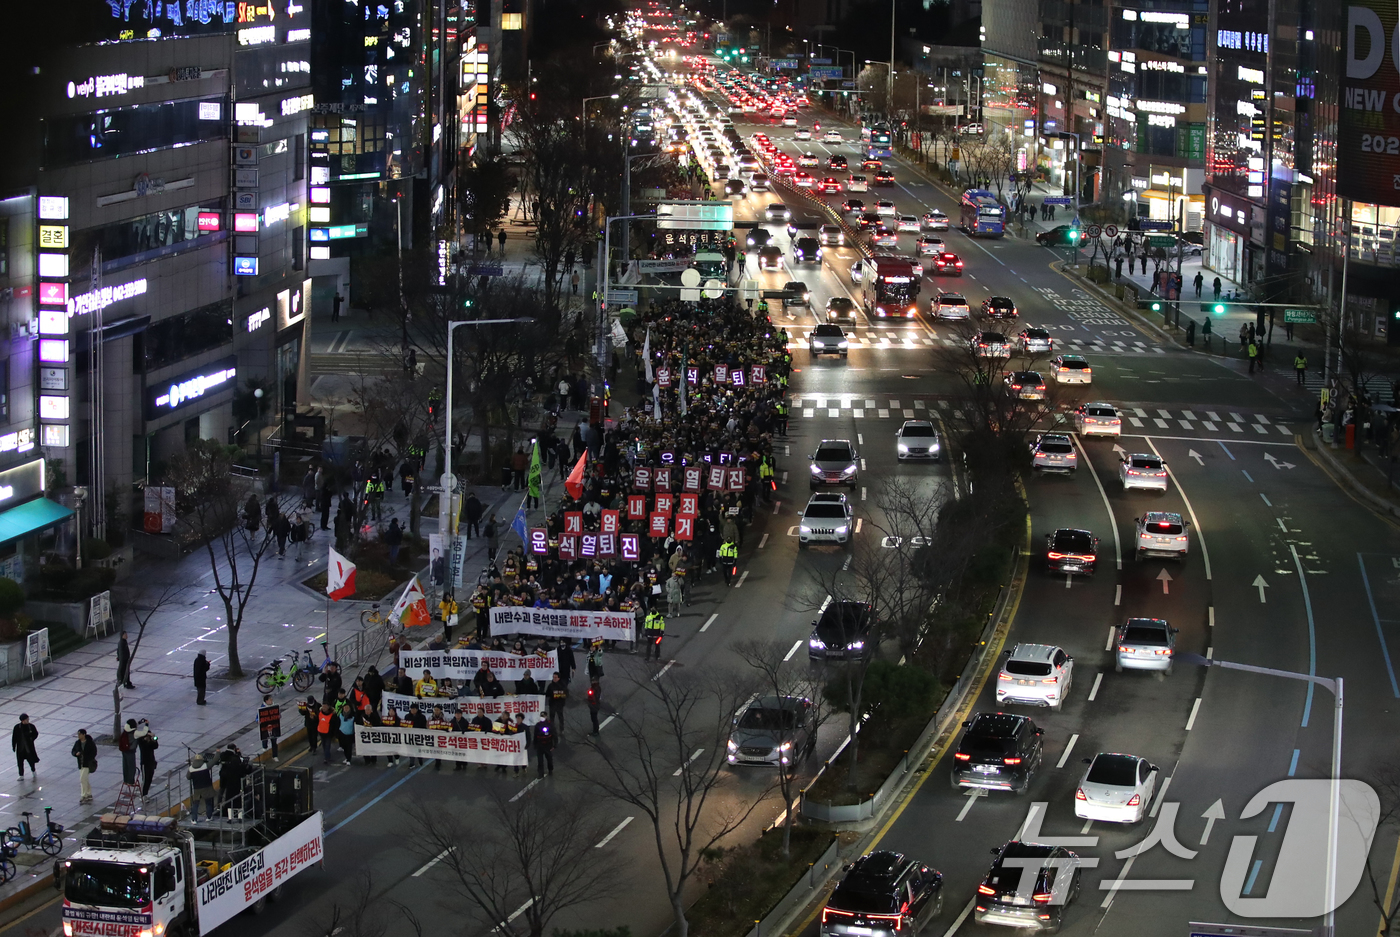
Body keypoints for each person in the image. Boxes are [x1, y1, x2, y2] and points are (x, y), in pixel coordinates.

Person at [187, 753, 216, 822]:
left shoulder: (191, 768)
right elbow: (214, 761)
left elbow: (188, 777)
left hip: (197, 789)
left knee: (195, 804)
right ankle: (209, 817)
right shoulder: (205, 765)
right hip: (207, 788)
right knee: (208, 803)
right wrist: (218, 753)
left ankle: (194, 819)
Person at [134, 719, 159, 798]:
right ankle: (143, 794)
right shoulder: (141, 742)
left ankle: (146, 793)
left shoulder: (151, 742)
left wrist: (153, 738)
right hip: (145, 763)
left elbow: (155, 746)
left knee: (150, 779)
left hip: (151, 762)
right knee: (145, 779)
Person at [72, 728, 97, 804]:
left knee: (82, 779)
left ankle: (84, 795)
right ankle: (89, 794)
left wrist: (88, 758)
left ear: (84, 734)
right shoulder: (78, 743)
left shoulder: (90, 743)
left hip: (87, 764)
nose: (78, 736)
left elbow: (94, 752)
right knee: (85, 779)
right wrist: (76, 754)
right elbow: (73, 751)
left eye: (80, 734)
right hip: (81, 764)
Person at [12, 714, 38, 780]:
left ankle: (33, 770)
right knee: (20, 762)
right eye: (27, 719)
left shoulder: (31, 726)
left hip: (28, 748)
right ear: (23, 720)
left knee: (31, 761)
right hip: (20, 748)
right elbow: (14, 737)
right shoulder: (17, 727)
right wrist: (13, 746)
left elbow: (35, 733)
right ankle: (21, 775)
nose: (28, 720)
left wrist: (31, 738)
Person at [258, 695, 281, 762]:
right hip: (265, 728)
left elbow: (279, 714)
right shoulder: (262, 708)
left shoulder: (275, 707)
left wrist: (279, 716)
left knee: (274, 742)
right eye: (270, 700)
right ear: (266, 701)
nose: (271, 701)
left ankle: (275, 756)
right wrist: (258, 721)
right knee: (265, 738)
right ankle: (264, 747)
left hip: (274, 727)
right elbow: (257, 717)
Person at [118, 719, 138, 785]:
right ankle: (131, 781)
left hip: (124, 750)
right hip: (130, 752)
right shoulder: (133, 733)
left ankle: (126, 780)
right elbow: (134, 744)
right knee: (131, 766)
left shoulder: (125, 731)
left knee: (125, 765)